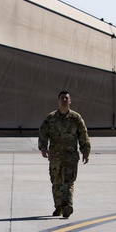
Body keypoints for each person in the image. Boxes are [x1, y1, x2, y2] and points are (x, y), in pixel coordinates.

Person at [38, 91, 91, 219]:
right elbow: (43, 133)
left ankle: (67, 206)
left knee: (68, 182)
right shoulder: (51, 118)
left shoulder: (76, 118)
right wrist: (43, 148)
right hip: (55, 157)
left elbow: (83, 135)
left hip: (70, 157)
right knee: (56, 182)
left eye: (66, 98)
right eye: (62, 98)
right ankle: (58, 207)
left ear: (70, 101)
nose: (64, 100)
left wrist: (86, 151)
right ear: (58, 100)